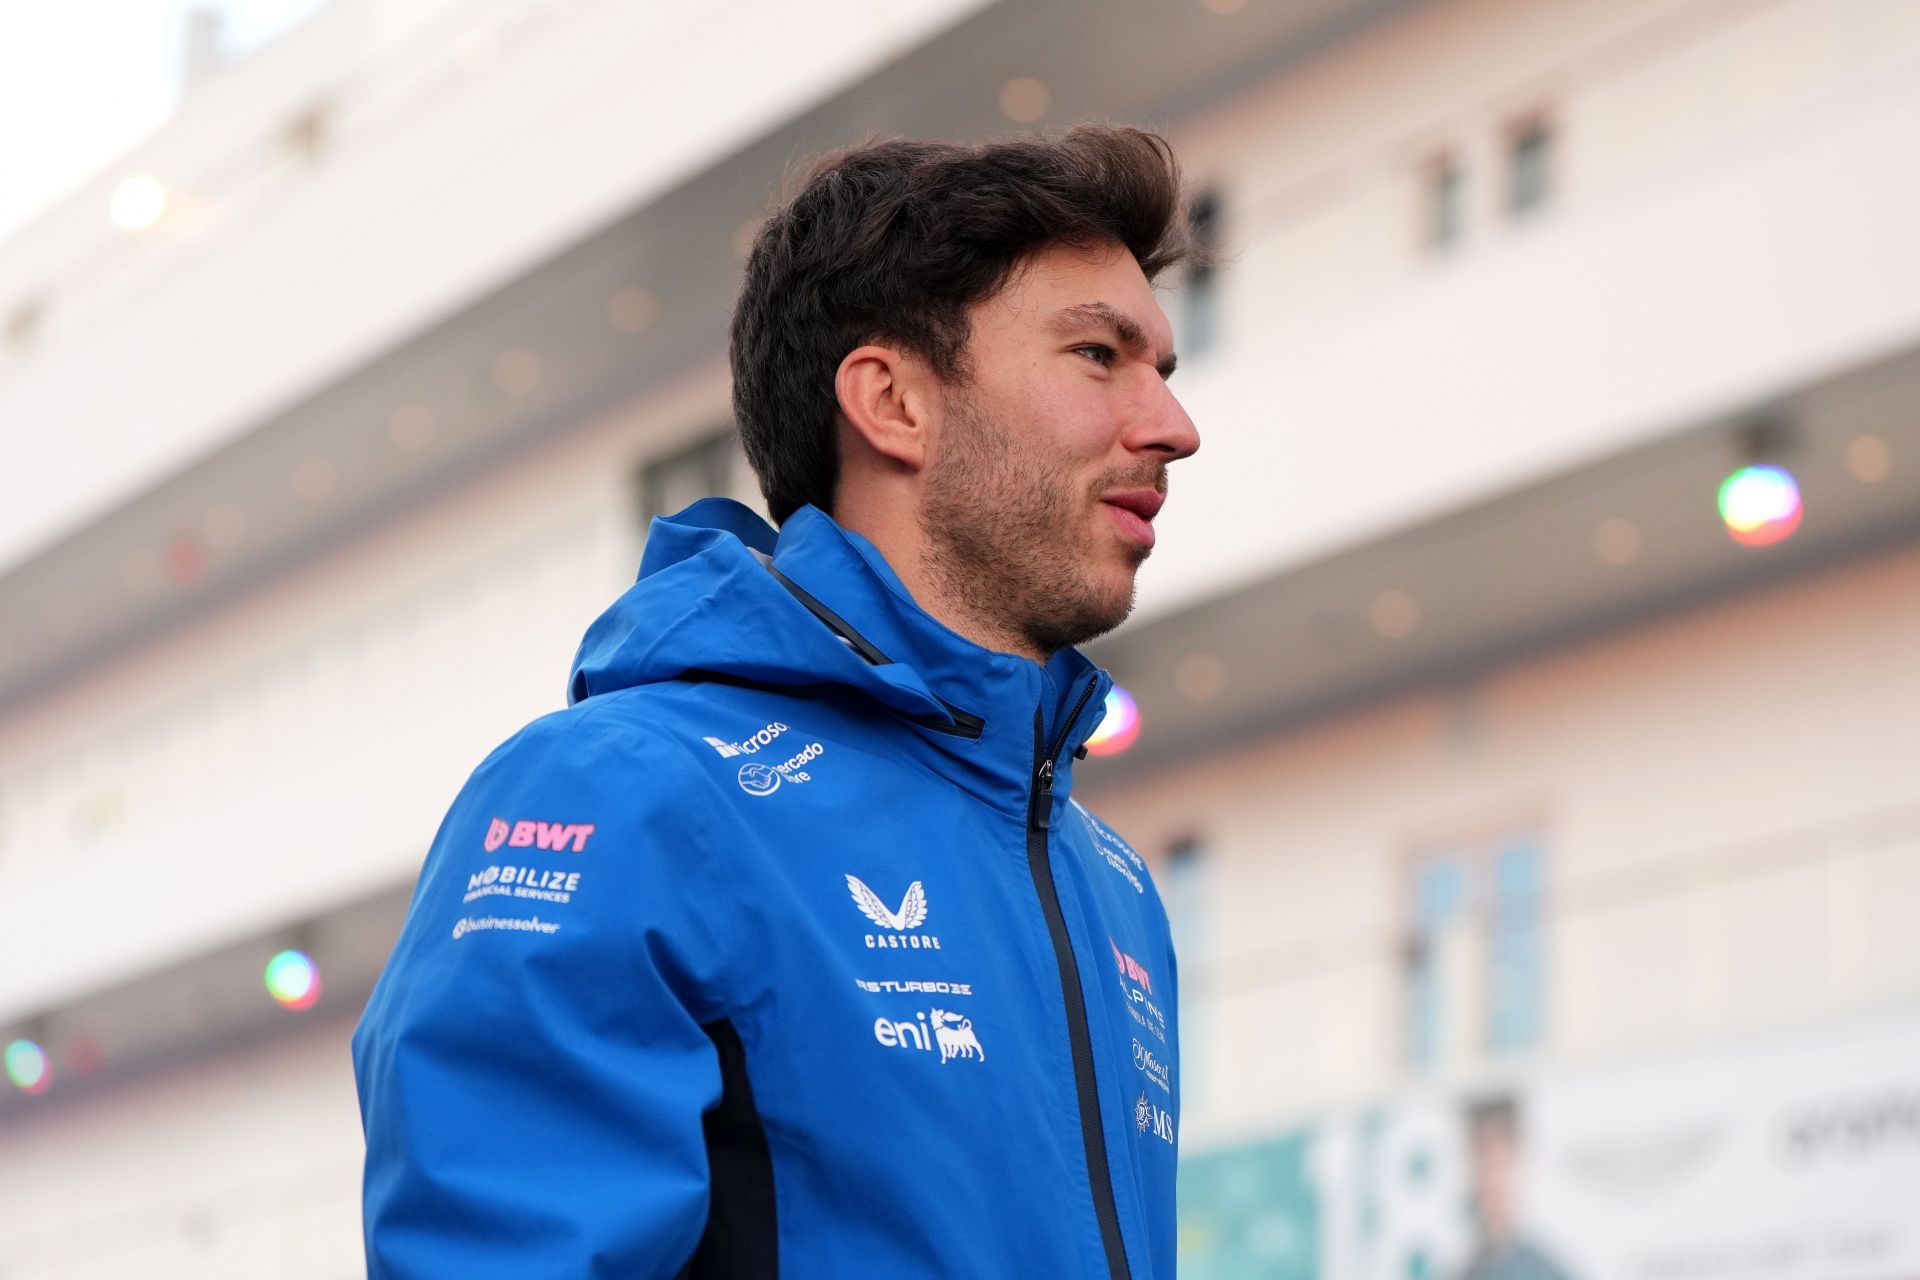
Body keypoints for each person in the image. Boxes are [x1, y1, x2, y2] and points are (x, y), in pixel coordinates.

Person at [353, 125, 1203, 1279]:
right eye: (1101, 356)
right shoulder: (617, 795)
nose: (1171, 425)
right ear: (892, 400)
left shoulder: (1108, 879)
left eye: (1163, 367)